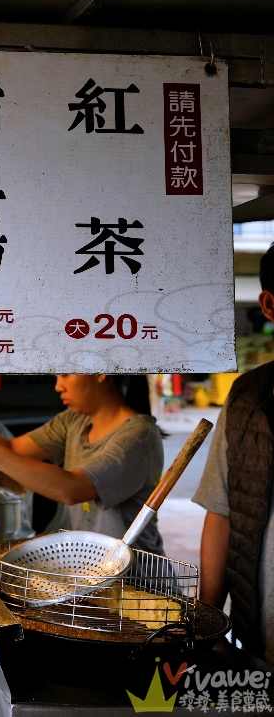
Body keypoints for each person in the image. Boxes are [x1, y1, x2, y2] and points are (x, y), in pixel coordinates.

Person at [0, 374, 165, 554]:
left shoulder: (139, 437)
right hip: (93, 567)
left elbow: (72, 489)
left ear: (100, 373)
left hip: (136, 580)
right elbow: (14, 448)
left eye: (65, 375)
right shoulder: (75, 420)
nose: (58, 387)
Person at [193, 245, 274, 664]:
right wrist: (205, 623)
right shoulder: (246, 397)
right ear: (270, 305)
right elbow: (221, 512)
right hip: (258, 640)